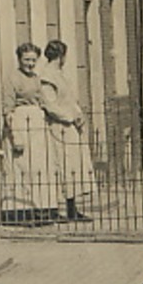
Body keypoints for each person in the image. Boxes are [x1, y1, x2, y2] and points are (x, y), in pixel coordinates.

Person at [2, 42, 62, 225]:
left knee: (41, 168)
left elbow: (42, 100)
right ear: (19, 59)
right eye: (26, 60)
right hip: (21, 123)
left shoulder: (36, 78)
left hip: (37, 125)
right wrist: (15, 136)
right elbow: (7, 110)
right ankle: (21, 211)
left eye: (33, 60)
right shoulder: (12, 79)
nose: (30, 64)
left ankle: (43, 208)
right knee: (23, 168)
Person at [41, 40, 94, 222]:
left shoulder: (60, 74)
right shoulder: (47, 76)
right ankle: (59, 208)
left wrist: (79, 115)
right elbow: (50, 105)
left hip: (71, 126)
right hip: (58, 126)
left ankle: (73, 208)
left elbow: (70, 99)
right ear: (61, 56)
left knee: (73, 167)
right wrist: (69, 117)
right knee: (63, 165)